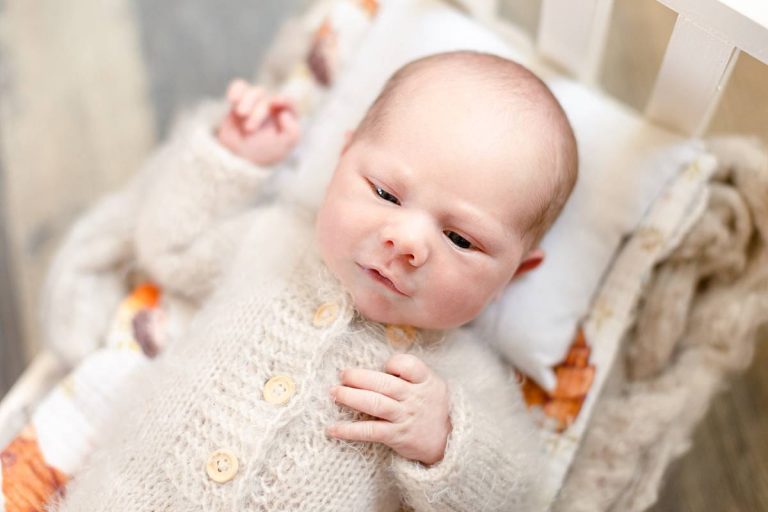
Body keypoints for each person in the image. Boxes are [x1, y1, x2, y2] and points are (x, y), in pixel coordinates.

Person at [45, 50, 577, 511]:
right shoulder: (271, 242)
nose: (408, 242)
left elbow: (522, 494)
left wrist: (445, 440)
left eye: (461, 239)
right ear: (341, 159)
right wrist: (230, 157)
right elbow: (171, 247)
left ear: (515, 274)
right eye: (386, 194)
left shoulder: (455, 377)